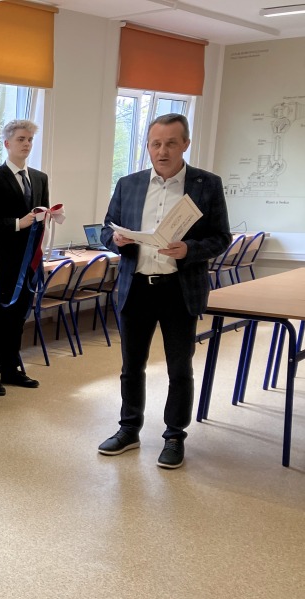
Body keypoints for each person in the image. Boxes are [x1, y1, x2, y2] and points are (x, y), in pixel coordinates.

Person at [97, 113, 229, 469]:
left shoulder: (206, 184)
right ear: (148, 147)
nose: (163, 151)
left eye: (171, 143)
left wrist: (190, 250)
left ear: (185, 144)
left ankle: (174, 436)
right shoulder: (128, 184)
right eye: (156, 144)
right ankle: (128, 429)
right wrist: (116, 239)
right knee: (131, 366)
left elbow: (221, 238)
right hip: (136, 287)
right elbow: (106, 230)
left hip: (178, 290)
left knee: (179, 368)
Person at [0, 120, 48, 395]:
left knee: (18, 318)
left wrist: (50, 216)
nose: (26, 144)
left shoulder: (39, 178)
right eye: (21, 139)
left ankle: (11, 368)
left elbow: (40, 215)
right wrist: (18, 223)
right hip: (3, 262)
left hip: (29, 261)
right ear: (7, 144)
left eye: (29, 139)